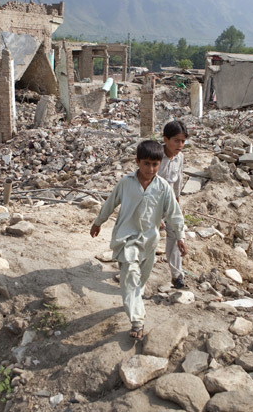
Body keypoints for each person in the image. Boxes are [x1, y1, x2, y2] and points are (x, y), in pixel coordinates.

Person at [90, 140, 187, 340]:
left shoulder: (163, 188)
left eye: (155, 164)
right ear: (137, 162)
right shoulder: (125, 183)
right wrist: (98, 222)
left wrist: (180, 236)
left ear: (160, 164)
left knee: (140, 280)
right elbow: (110, 203)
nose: (150, 169)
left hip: (150, 242)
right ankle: (137, 320)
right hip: (126, 239)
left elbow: (174, 214)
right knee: (130, 278)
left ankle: (134, 300)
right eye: (146, 164)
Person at [158, 120, 189, 289]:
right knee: (145, 239)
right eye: (176, 140)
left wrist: (177, 205)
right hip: (151, 205)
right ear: (166, 139)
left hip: (170, 204)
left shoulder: (180, 158)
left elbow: (178, 182)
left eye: (183, 141)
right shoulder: (155, 157)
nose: (180, 144)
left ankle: (176, 276)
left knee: (176, 236)